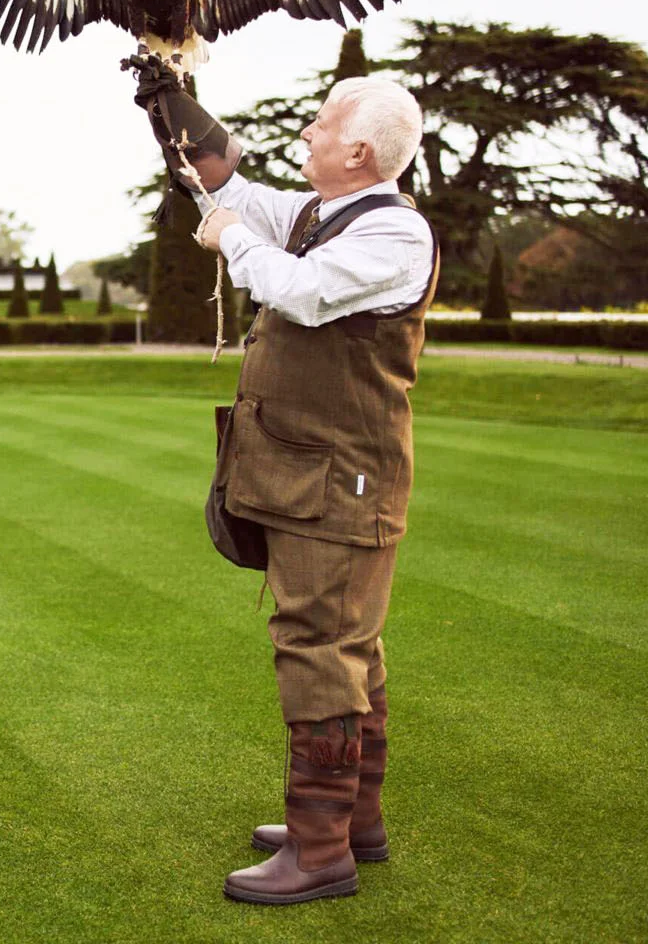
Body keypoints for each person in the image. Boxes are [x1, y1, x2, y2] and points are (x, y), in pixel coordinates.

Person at [136, 61, 437, 904]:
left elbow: (294, 292)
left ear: (363, 153)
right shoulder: (321, 210)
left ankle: (320, 852)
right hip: (312, 473)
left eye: (323, 125)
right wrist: (170, 96)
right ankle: (353, 824)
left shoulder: (395, 235)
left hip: (343, 480)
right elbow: (226, 183)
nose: (307, 132)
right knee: (350, 650)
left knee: (319, 647)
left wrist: (229, 237)